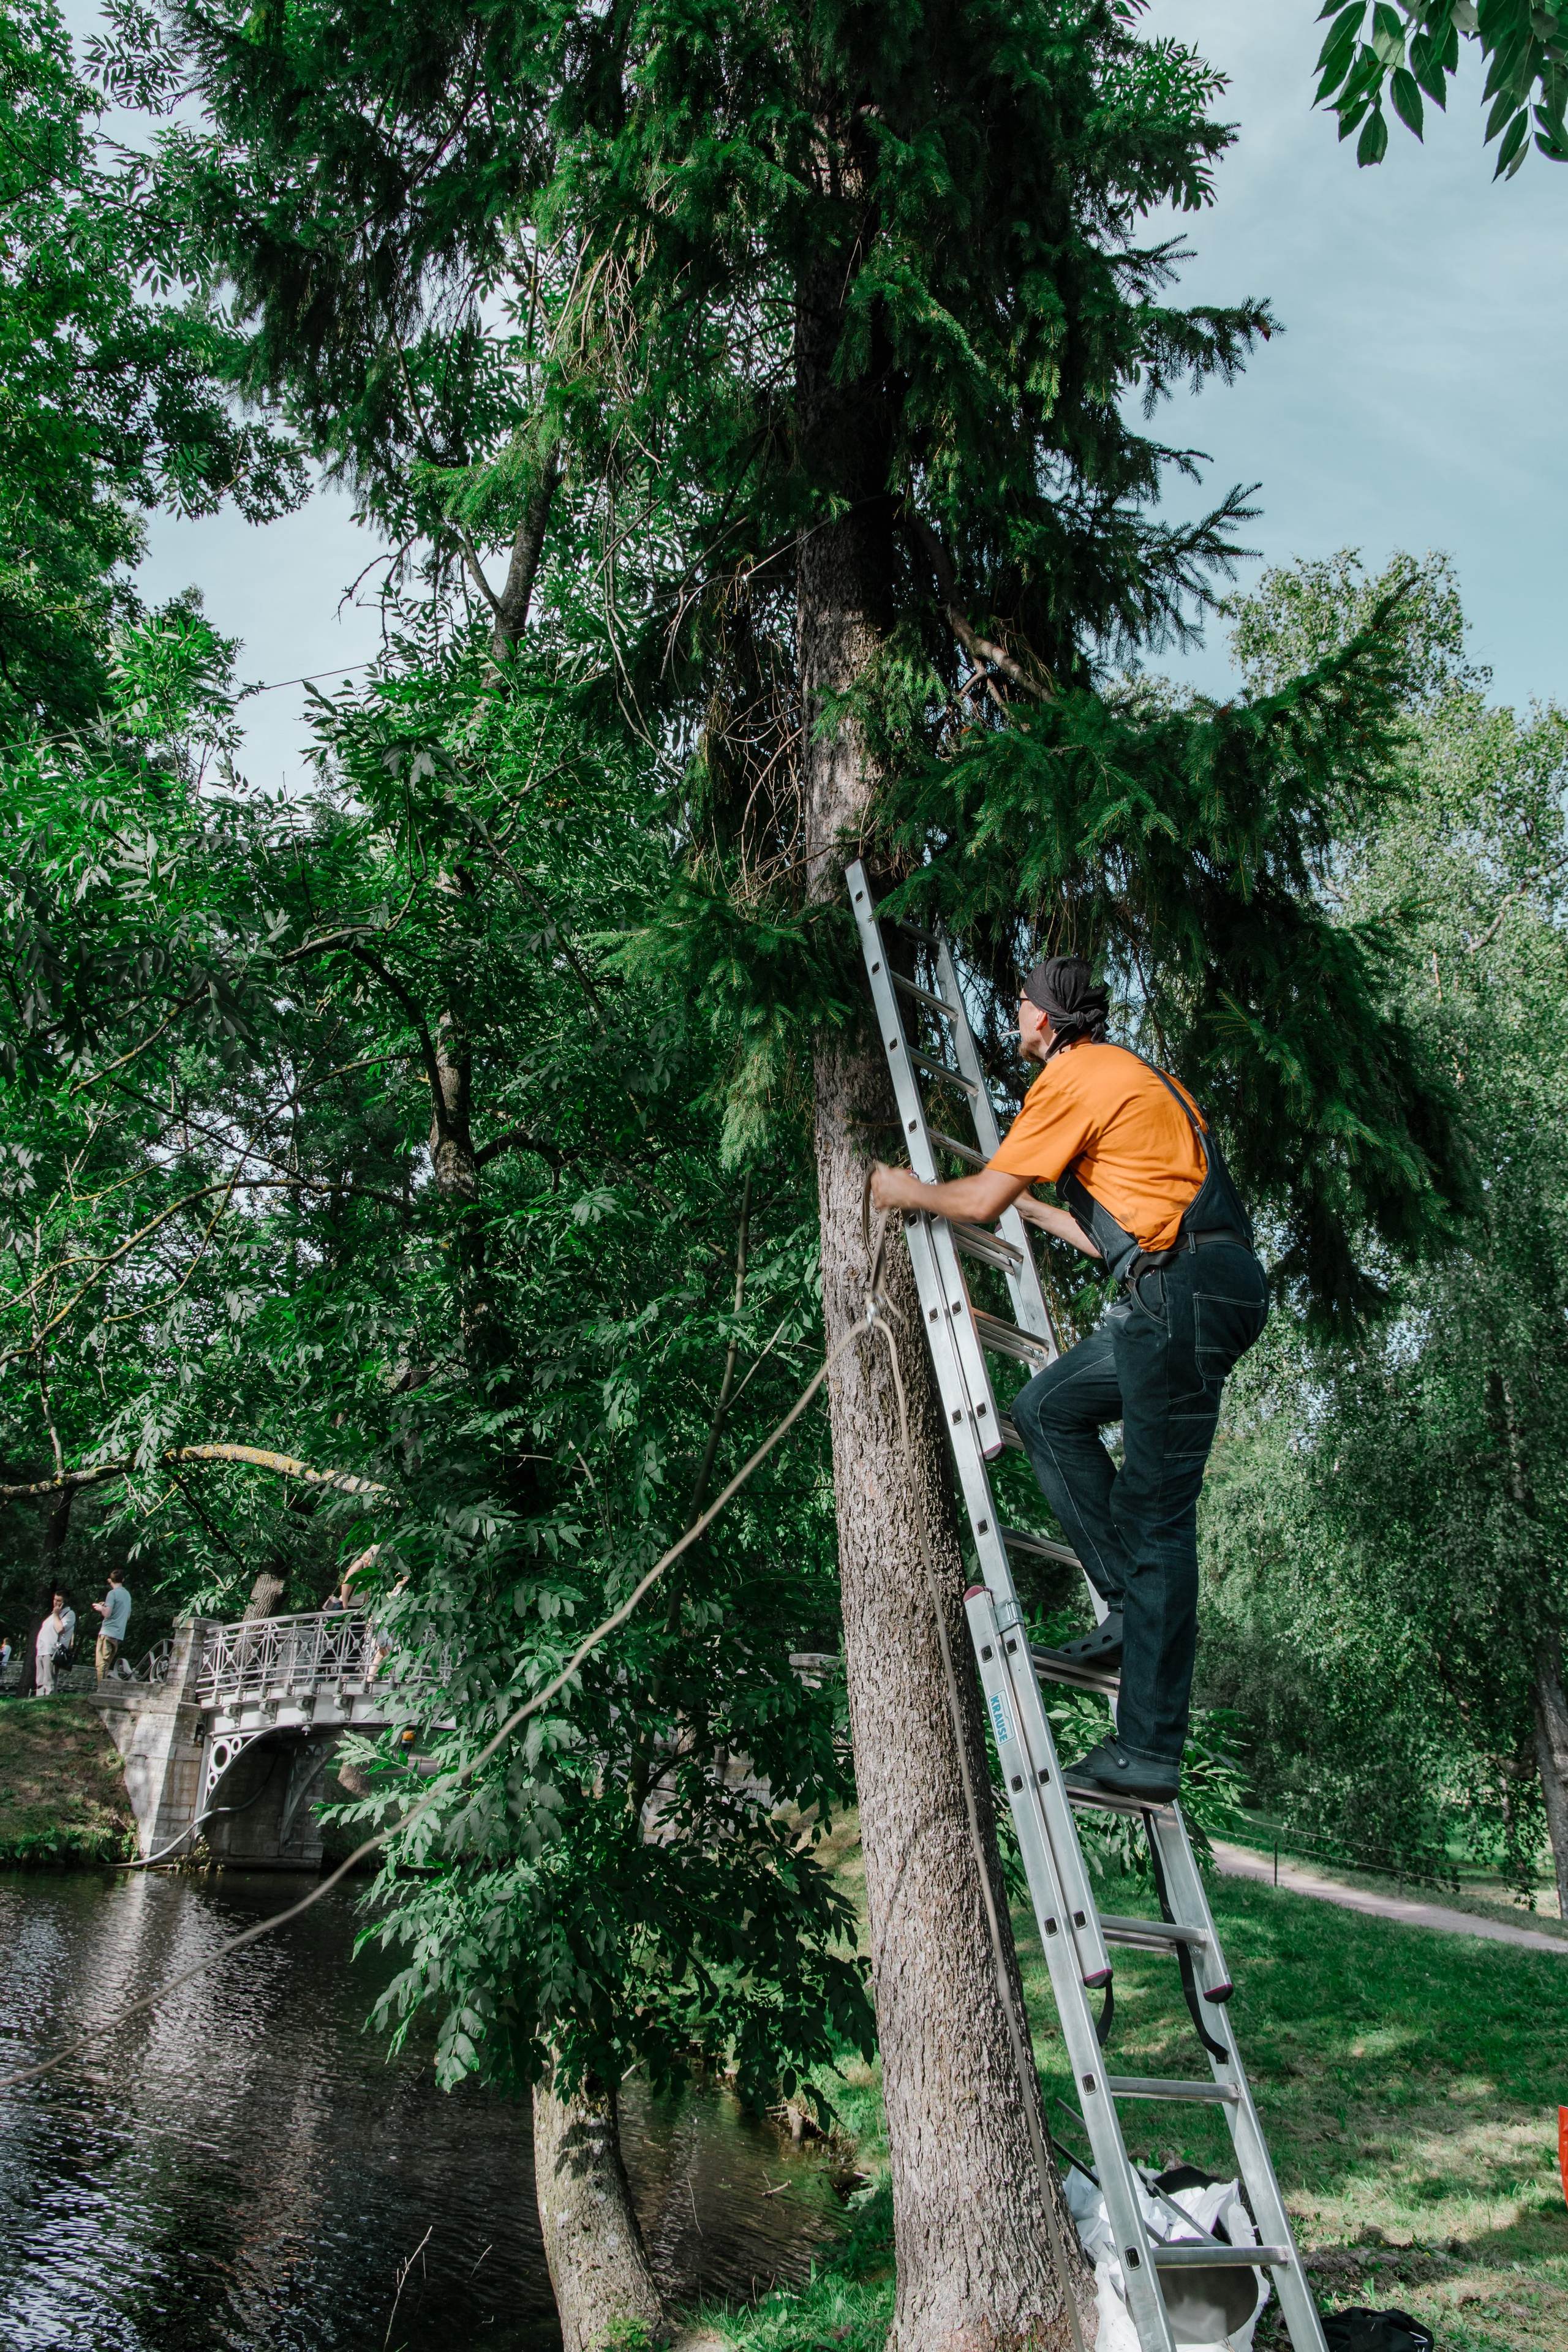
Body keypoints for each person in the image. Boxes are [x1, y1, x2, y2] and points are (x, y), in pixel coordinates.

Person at [870, 954, 1267, 1803]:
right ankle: (1127, 1608)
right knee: (1047, 1408)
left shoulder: (1071, 1076)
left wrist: (905, 1191)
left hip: (1179, 1296)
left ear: (1045, 1020)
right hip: (1194, 1285)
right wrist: (1034, 1209)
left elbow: (978, 1201)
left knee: (1157, 1519)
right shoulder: (1132, 1077)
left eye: (1021, 1003)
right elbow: (1108, 1234)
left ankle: (1148, 1750)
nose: (1016, 1013)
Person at [92, 1570, 132, 1684]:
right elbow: (127, 1616)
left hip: (107, 1633)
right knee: (107, 1663)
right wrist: (107, 1606)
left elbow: (107, 1614)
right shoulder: (127, 1595)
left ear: (109, 1580)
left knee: (101, 1664)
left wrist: (102, 1608)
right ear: (123, 1580)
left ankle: (101, 1689)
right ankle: (105, 1687)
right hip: (118, 1635)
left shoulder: (112, 1594)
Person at [33, 1601, 64, 1698]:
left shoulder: (66, 1614)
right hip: (41, 1651)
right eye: (55, 1600)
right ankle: (39, 1701)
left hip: (50, 1651)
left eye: (59, 1601)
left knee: (49, 1681)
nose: (55, 1602)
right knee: (40, 1681)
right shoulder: (51, 1616)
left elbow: (60, 1629)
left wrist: (56, 1614)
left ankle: (50, 1700)